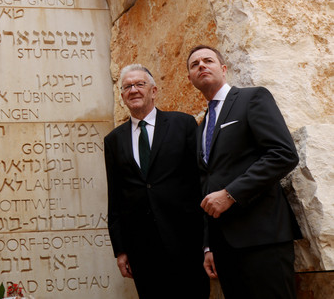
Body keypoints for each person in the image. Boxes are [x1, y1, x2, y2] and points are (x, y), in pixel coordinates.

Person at [186, 45, 302, 299]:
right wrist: (208, 246)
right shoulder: (202, 125)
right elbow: (207, 183)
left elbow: (283, 154)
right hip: (224, 249)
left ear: (224, 69)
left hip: (263, 239)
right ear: (190, 79)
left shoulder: (253, 98)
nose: (202, 66)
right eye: (195, 65)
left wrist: (230, 194)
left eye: (208, 60)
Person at [104, 64, 209, 298]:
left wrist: (207, 240)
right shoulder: (113, 140)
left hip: (186, 242)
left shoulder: (183, 124)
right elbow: (116, 197)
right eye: (127, 87)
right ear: (122, 96)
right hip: (142, 250)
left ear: (153, 91)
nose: (133, 90)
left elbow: (200, 181)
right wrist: (120, 250)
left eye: (139, 84)